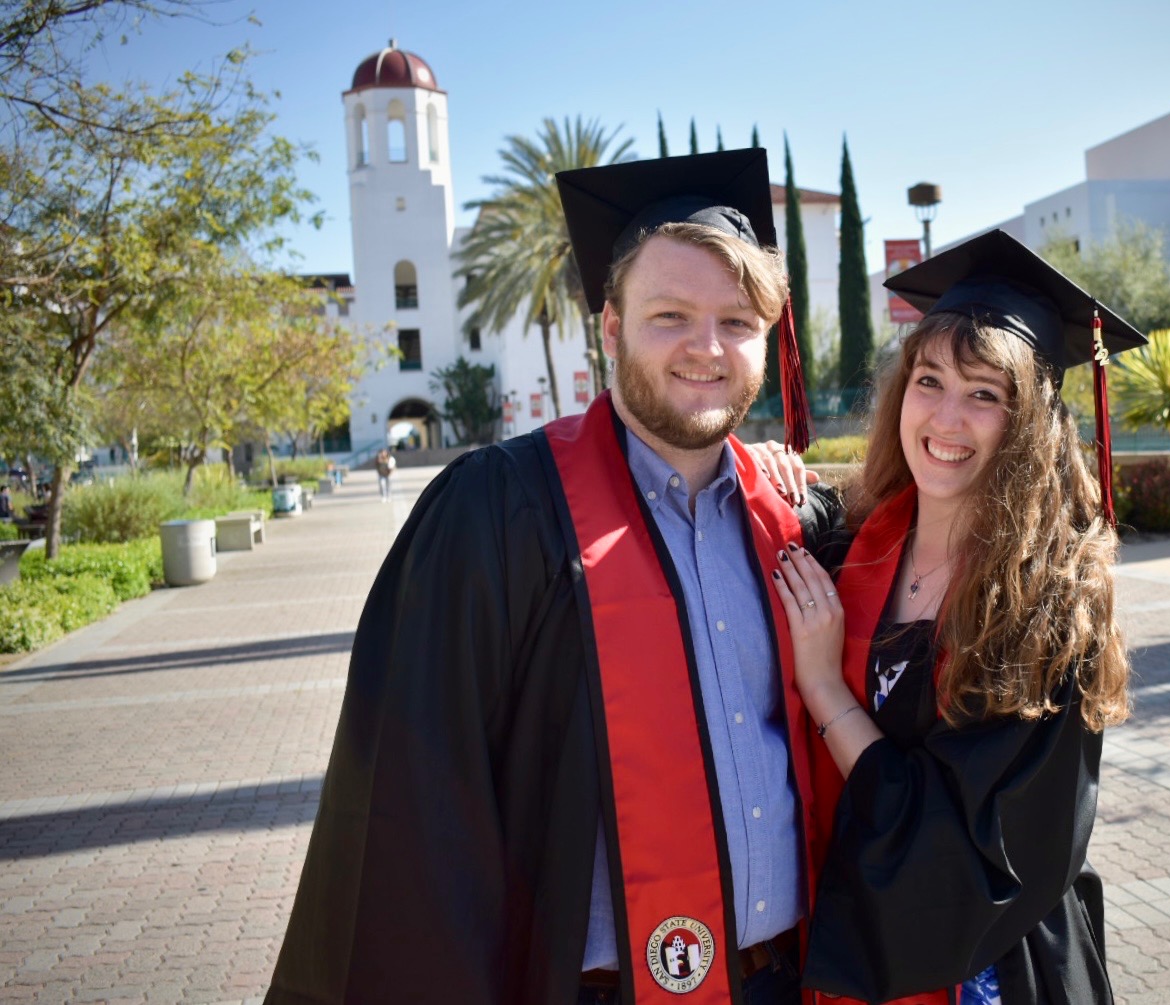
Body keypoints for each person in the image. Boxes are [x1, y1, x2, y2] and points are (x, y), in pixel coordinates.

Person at [265, 150, 839, 1004]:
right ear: (608, 328)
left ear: (769, 337)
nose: (706, 348)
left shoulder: (791, 521)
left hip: (785, 979)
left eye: (736, 322)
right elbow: (410, 802)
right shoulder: (497, 515)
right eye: (669, 315)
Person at [760, 228, 1145, 1003]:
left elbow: (976, 849)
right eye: (928, 380)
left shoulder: (1050, 604)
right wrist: (768, 475)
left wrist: (824, 689)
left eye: (984, 394)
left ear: (1029, 420)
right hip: (840, 948)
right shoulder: (849, 543)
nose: (945, 418)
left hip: (986, 964)